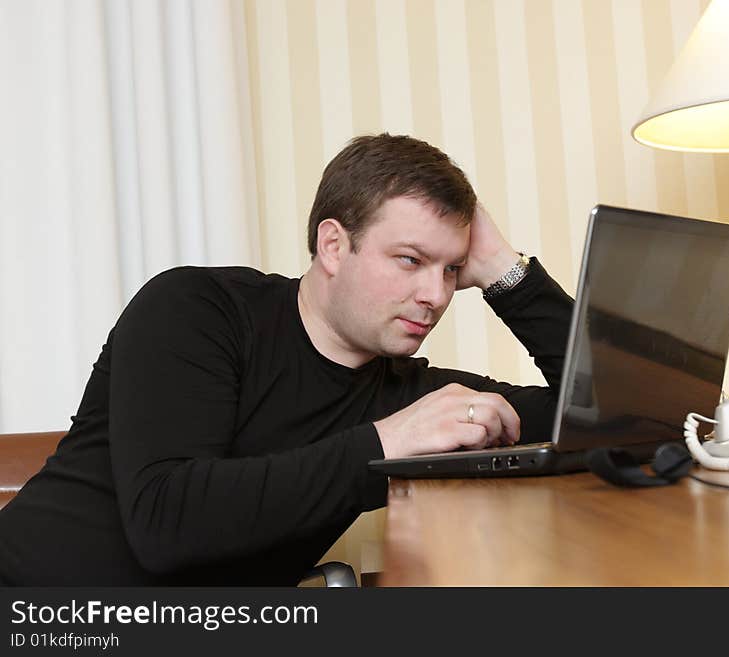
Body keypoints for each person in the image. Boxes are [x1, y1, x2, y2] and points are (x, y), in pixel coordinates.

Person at [0, 134, 572, 585]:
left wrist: (506, 273)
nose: (436, 294)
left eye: (450, 268)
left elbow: (615, 413)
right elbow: (165, 524)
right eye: (409, 259)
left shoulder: (409, 399)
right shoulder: (197, 310)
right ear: (332, 245)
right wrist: (384, 445)